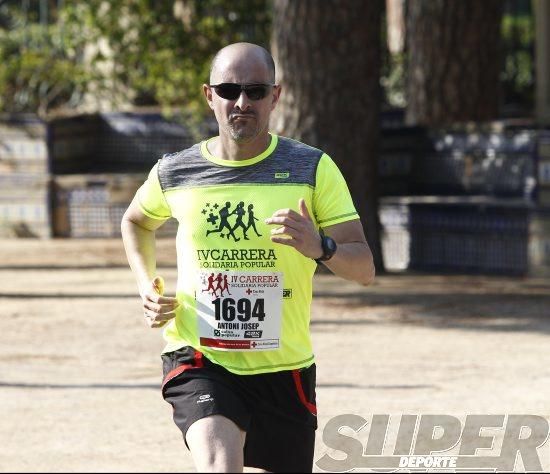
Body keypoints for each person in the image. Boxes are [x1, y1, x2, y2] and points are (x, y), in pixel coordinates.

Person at [121, 42, 375, 473]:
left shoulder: (312, 169)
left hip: (284, 366)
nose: (242, 102)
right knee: (220, 464)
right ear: (209, 95)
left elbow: (364, 268)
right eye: (228, 90)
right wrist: (148, 286)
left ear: (275, 96)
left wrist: (320, 248)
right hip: (200, 357)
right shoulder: (175, 172)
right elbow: (136, 221)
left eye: (256, 91)